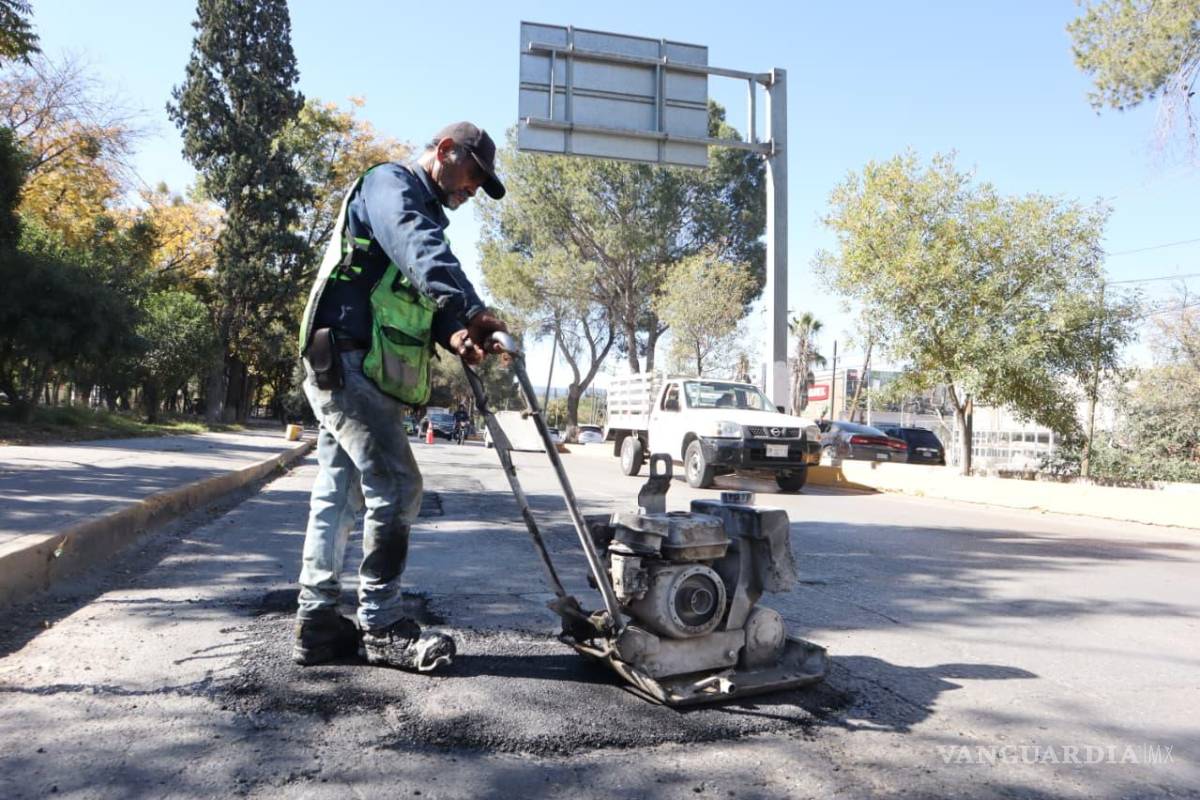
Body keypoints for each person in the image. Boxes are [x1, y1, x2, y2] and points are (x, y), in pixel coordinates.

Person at [293, 122, 508, 671]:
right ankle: (381, 623)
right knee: (397, 483)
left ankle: (317, 623)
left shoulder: (423, 208)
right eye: (473, 175)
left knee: (338, 492)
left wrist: (454, 333)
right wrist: (469, 308)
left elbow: (409, 290)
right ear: (443, 152)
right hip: (345, 358)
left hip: (357, 363)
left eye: (482, 183)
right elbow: (416, 244)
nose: (473, 189)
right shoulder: (391, 186)